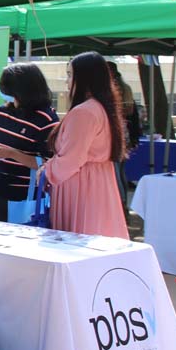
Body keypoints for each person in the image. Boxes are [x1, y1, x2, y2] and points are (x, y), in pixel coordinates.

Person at [42, 52, 129, 237]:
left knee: (80, 241)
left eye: (70, 75)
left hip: (82, 187)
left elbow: (71, 159)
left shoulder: (84, 112)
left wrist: (47, 170)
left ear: (84, 78)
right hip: (97, 182)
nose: (67, 81)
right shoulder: (100, 108)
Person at [0, 63, 59, 222]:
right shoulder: (2, 112)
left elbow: (49, 164)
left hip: (26, 196)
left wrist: (11, 153)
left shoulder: (47, 120)